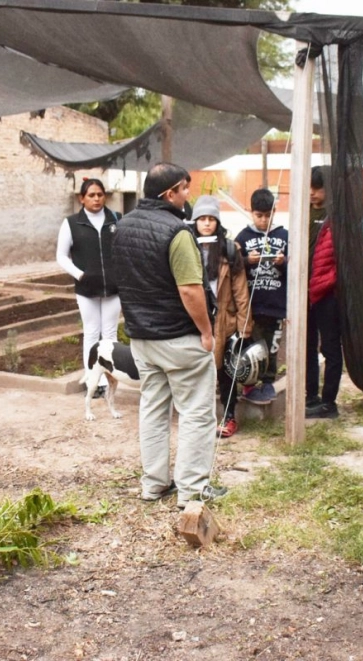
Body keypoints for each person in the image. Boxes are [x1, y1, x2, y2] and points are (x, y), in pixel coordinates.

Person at [111, 162, 225, 509]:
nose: (188, 196)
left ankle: (154, 484)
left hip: (142, 338)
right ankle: (192, 490)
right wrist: (207, 331)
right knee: (195, 413)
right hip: (179, 338)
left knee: (153, 409)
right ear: (169, 193)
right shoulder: (177, 232)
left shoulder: (122, 227)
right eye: (185, 189)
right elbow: (191, 290)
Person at [190, 195, 252, 438]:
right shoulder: (185, 245)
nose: (206, 224)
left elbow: (241, 290)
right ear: (194, 221)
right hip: (193, 318)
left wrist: (244, 325)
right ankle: (198, 419)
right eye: (202, 219)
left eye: (211, 219)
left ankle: (229, 417)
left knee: (226, 371)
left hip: (223, 318)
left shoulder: (229, 249)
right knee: (195, 370)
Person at [55, 178, 121, 399]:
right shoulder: (72, 223)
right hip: (86, 289)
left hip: (113, 288)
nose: (96, 199)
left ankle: (111, 377)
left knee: (110, 333)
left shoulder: (115, 219)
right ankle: (94, 379)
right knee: (92, 333)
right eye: (91, 195)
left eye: (100, 194)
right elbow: (61, 256)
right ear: (81, 198)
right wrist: (80, 275)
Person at [234, 188, 287, 405]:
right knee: (251, 346)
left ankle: (268, 382)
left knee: (272, 345)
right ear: (251, 212)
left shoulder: (284, 236)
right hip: (252, 306)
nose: (264, 220)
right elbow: (233, 268)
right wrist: (247, 261)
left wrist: (284, 262)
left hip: (275, 304)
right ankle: (249, 383)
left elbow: (296, 266)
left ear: (274, 212)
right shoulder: (242, 237)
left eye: (268, 215)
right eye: (259, 215)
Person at [304, 165, 343, 419]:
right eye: (310, 188)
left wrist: (328, 282)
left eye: (318, 188)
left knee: (329, 348)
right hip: (304, 292)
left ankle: (329, 402)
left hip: (327, 293)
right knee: (306, 346)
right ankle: (310, 395)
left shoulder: (337, 216)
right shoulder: (303, 212)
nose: (312, 193)